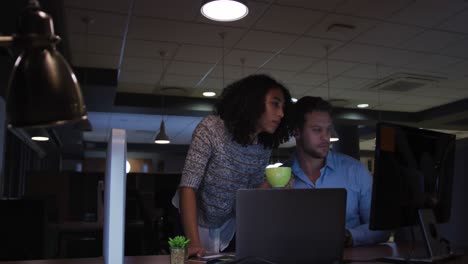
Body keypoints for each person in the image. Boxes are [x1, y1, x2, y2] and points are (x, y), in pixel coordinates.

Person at [173, 74, 292, 257]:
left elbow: (246, 200)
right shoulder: (211, 128)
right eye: (275, 104)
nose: (281, 113)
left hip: (226, 224)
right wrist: (193, 243)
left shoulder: (263, 145)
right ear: (254, 101)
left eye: (283, 107)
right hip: (189, 218)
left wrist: (270, 185)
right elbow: (188, 187)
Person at [286, 96, 390, 247]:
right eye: (317, 130)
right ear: (297, 132)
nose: (325, 137)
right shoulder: (279, 178)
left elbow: (382, 228)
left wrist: (348, 236)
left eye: (328, 129)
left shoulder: (355, 171)